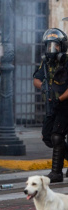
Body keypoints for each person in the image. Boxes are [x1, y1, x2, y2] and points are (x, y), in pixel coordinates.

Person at [33, 28, 68, 183]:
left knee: (57, 136)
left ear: (62, 47)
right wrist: (44, 87)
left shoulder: (66, 62)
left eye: (56, 46)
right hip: (51, 104)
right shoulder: (45, 63)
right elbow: (36, 79)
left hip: (64, 105)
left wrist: (59, 99)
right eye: (49, 46)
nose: (52, 49)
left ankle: (56, 173)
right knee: (48, 137)